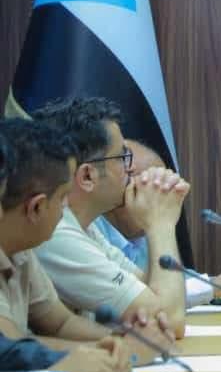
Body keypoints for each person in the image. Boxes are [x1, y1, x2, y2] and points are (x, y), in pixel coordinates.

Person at [0, 118, 171, 371]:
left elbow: (60, 323)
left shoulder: (21, 249)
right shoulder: (52, 238)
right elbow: (12, 352)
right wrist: (120, 351)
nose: (66, 207)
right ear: (36, 208)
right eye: (62, 198)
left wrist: (116, 342)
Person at [32, 98, 190, 338]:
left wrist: (153, 222)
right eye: (122, 157)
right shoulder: (56, 234)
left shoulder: (85, 226)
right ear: (87, 176)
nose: (130, 169)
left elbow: (148, 290)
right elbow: (168, 322)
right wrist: (161, 224)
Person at [93, 139, 221, 306]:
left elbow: (172, 281)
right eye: (158, 189)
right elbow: (140, 297)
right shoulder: (90, 230)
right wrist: (213, 286)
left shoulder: (140, 233)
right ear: (127, 190)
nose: (166, 197)